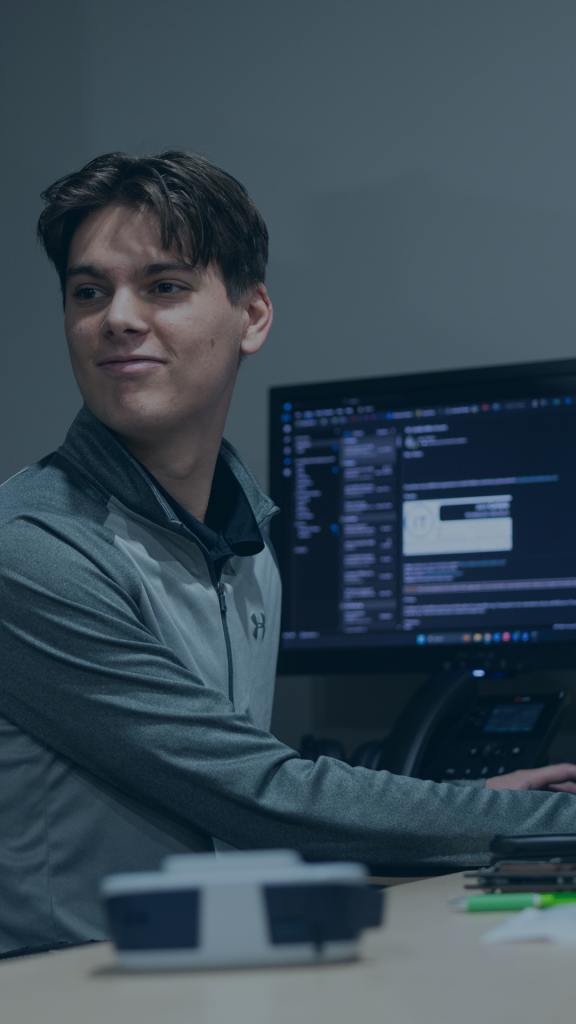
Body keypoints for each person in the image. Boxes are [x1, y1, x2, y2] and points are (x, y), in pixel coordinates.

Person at [1, 150, 576, 958]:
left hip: (202, 966)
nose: (117, 318)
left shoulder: (246, 542)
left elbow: (231, 792)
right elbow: (257, 797)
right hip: (64, 992)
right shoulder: (32, 550)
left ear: (254, 315)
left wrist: (457, 804)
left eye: (163, 286)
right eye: (88, 292)